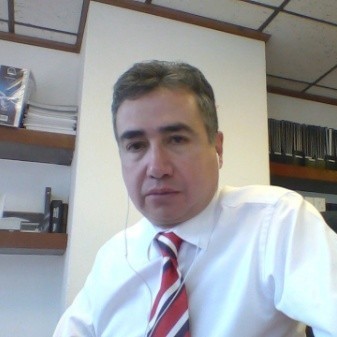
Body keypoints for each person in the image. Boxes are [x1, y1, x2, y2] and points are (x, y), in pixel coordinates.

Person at [53, 60, 337, 336]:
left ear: (218, 147)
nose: (157, 168)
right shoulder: (113, 256)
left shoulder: (277, 222)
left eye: (176, 140)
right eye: (136, 145)